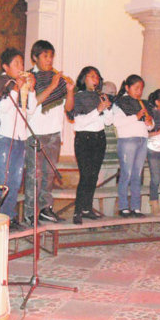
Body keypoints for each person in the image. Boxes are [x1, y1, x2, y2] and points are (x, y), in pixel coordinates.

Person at [0, 48, 37, 230]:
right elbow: (4, 108)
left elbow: (30, 111)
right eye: (16, 64)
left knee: (15, 179)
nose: (21, 67)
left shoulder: (22, 85)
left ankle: (10, 216)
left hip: (20, 137)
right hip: (3, 137)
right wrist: (15, 88)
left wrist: (30, 90)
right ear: (5, 67)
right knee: (2, 179)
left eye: (22, 63)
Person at [24, 40, 75, 225]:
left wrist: (69, 91)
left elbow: (69, 108)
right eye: (45, 56)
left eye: (51, 56)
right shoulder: (29, 78)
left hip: (54, 133)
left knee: (49, 175)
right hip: (35, 133)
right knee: (34, 175)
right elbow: (31, 104)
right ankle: (30, 213)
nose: (49, 60)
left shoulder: (58, 79)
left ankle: (45, 210)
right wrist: (52, 86)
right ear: (35, 57)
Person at [70, 66, 112, 224]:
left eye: (97, 77)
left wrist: (106, 108)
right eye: (92, 76)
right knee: (85, 175)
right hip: (84, 138)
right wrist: (98, 110)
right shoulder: (78, 96)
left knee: (94, 175)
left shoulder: (100, 96)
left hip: (99, 138)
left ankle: (87, 208)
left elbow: (109, 121)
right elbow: (79, 123)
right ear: (83, 78)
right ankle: (77, 211)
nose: (95, 80)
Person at [112, 74, 154, 218]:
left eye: (141, 89)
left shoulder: (143, 103)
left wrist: (149, 123)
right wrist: (136, 117)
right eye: (136, 88)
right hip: (127, 140)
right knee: (127, 174)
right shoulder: (120, 103)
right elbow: (117, 122)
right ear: (127, 88)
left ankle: (136, 207)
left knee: (137, 174)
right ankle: (123, 206)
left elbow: (149, 126)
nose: (139, 91)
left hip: (142, 139)